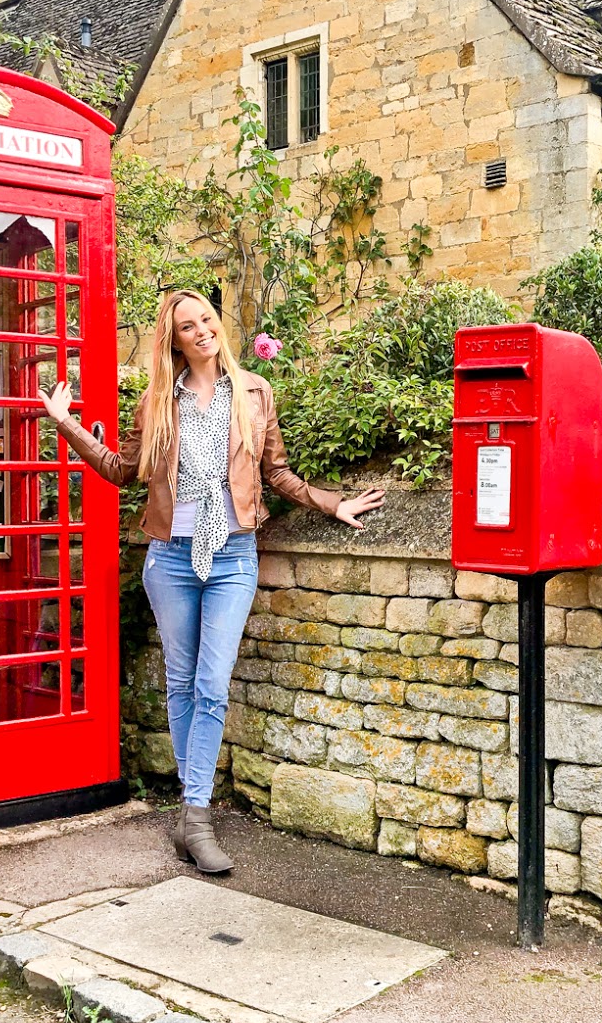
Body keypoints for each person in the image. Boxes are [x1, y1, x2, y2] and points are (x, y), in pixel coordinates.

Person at [38, 289, 383, 874]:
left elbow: (273, 470)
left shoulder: (254, 392)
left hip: (232, 556)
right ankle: (193, 816)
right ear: (172, 340)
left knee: (212, 685)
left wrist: (331, 503)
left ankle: (192, 817)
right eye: (187, 327)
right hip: (171, 558)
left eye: (206, 320)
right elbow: (125, 472)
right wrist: (66, 424)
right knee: (181, 684)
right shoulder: (157, 404)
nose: (201, 331)